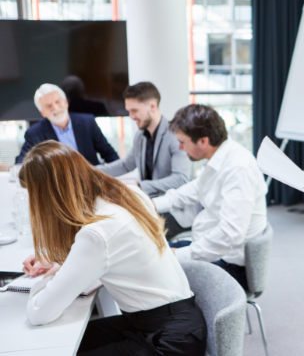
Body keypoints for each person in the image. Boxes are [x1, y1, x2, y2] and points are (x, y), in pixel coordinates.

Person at [19, 140, 206, 355]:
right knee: (68, 341)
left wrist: (43, 281)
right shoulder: (128, 195)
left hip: (168, 341)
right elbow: (109, 251)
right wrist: (57, 262)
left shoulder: (97, 234)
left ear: (50, 196)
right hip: (175, 325)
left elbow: (38, 313)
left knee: (56, 344)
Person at [152, 105, 267, 291]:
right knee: (152, 255)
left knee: (153, 271)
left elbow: (230, 233)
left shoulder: (238, 168)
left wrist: (181, 254)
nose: (180, 147)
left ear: (203, 141)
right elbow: (195, 189)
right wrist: (152, 204)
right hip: (213, 248)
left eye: (183, 142)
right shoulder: (220, 156)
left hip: (230, 265)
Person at [97, 82, 191, 198]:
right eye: (129, 111)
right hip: (148, 203)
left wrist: (140, 186)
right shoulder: (140, 135)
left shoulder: (175, 135)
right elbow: (127, 165)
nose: (131, 116)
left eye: (134, 110)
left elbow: (180, 179)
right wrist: (92, 171)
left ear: (152, 107)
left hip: (173, 209)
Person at [15, 83, 119, 166]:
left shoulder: (87, 122)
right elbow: (22, 163)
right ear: (43, 113)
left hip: (91, 182)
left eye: (58, 102)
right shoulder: (34, 133)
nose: (55, 108)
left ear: (66, 103)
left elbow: (110, 155)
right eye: (48, 106)